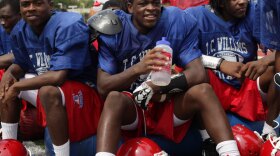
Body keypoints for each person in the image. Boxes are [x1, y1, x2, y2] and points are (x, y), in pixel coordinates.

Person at [95, 0, 240, 155]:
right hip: (133, 106)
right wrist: (138, 68)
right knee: (113, 99)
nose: (151, 8)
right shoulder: (114, 27)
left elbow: (198, 73)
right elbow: (103, 86)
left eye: (155, 3)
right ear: (130, 7)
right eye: (143, 4)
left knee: (203, 90)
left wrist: (155, 86)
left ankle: (228, 152)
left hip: (167, 104)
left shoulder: (177, 21)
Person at [0, 0, 103, 156]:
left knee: (47, 91)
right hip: (52, 90)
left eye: (38, 3)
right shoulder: (21, 29)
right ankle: (10, 149)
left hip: (84, 89)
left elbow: (58, 76)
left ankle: (61, 154)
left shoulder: (68, 23)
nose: (31, 9)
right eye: (26, 4)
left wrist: (17, 86)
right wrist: (10, 75)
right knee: (6, 85)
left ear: (51, 4)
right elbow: (21, 64)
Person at [185, 0, 280, 143]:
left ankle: (269, 131)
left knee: (275, 70)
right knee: (196, 73)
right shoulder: (194, 16)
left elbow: (278, 51)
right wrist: (220, 64)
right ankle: (207, 139)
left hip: (246, 83)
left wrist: (263, 61)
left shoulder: (253, 12)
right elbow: (183, 55)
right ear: (220, 3)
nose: (242, 2)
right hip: (212, 89)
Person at [0, 0, 21, 74]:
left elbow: (24, 55)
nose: (2, 22)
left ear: (20, 16)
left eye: (6, 18)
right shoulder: (2, 32)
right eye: (0, 18)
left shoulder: (30, 30)